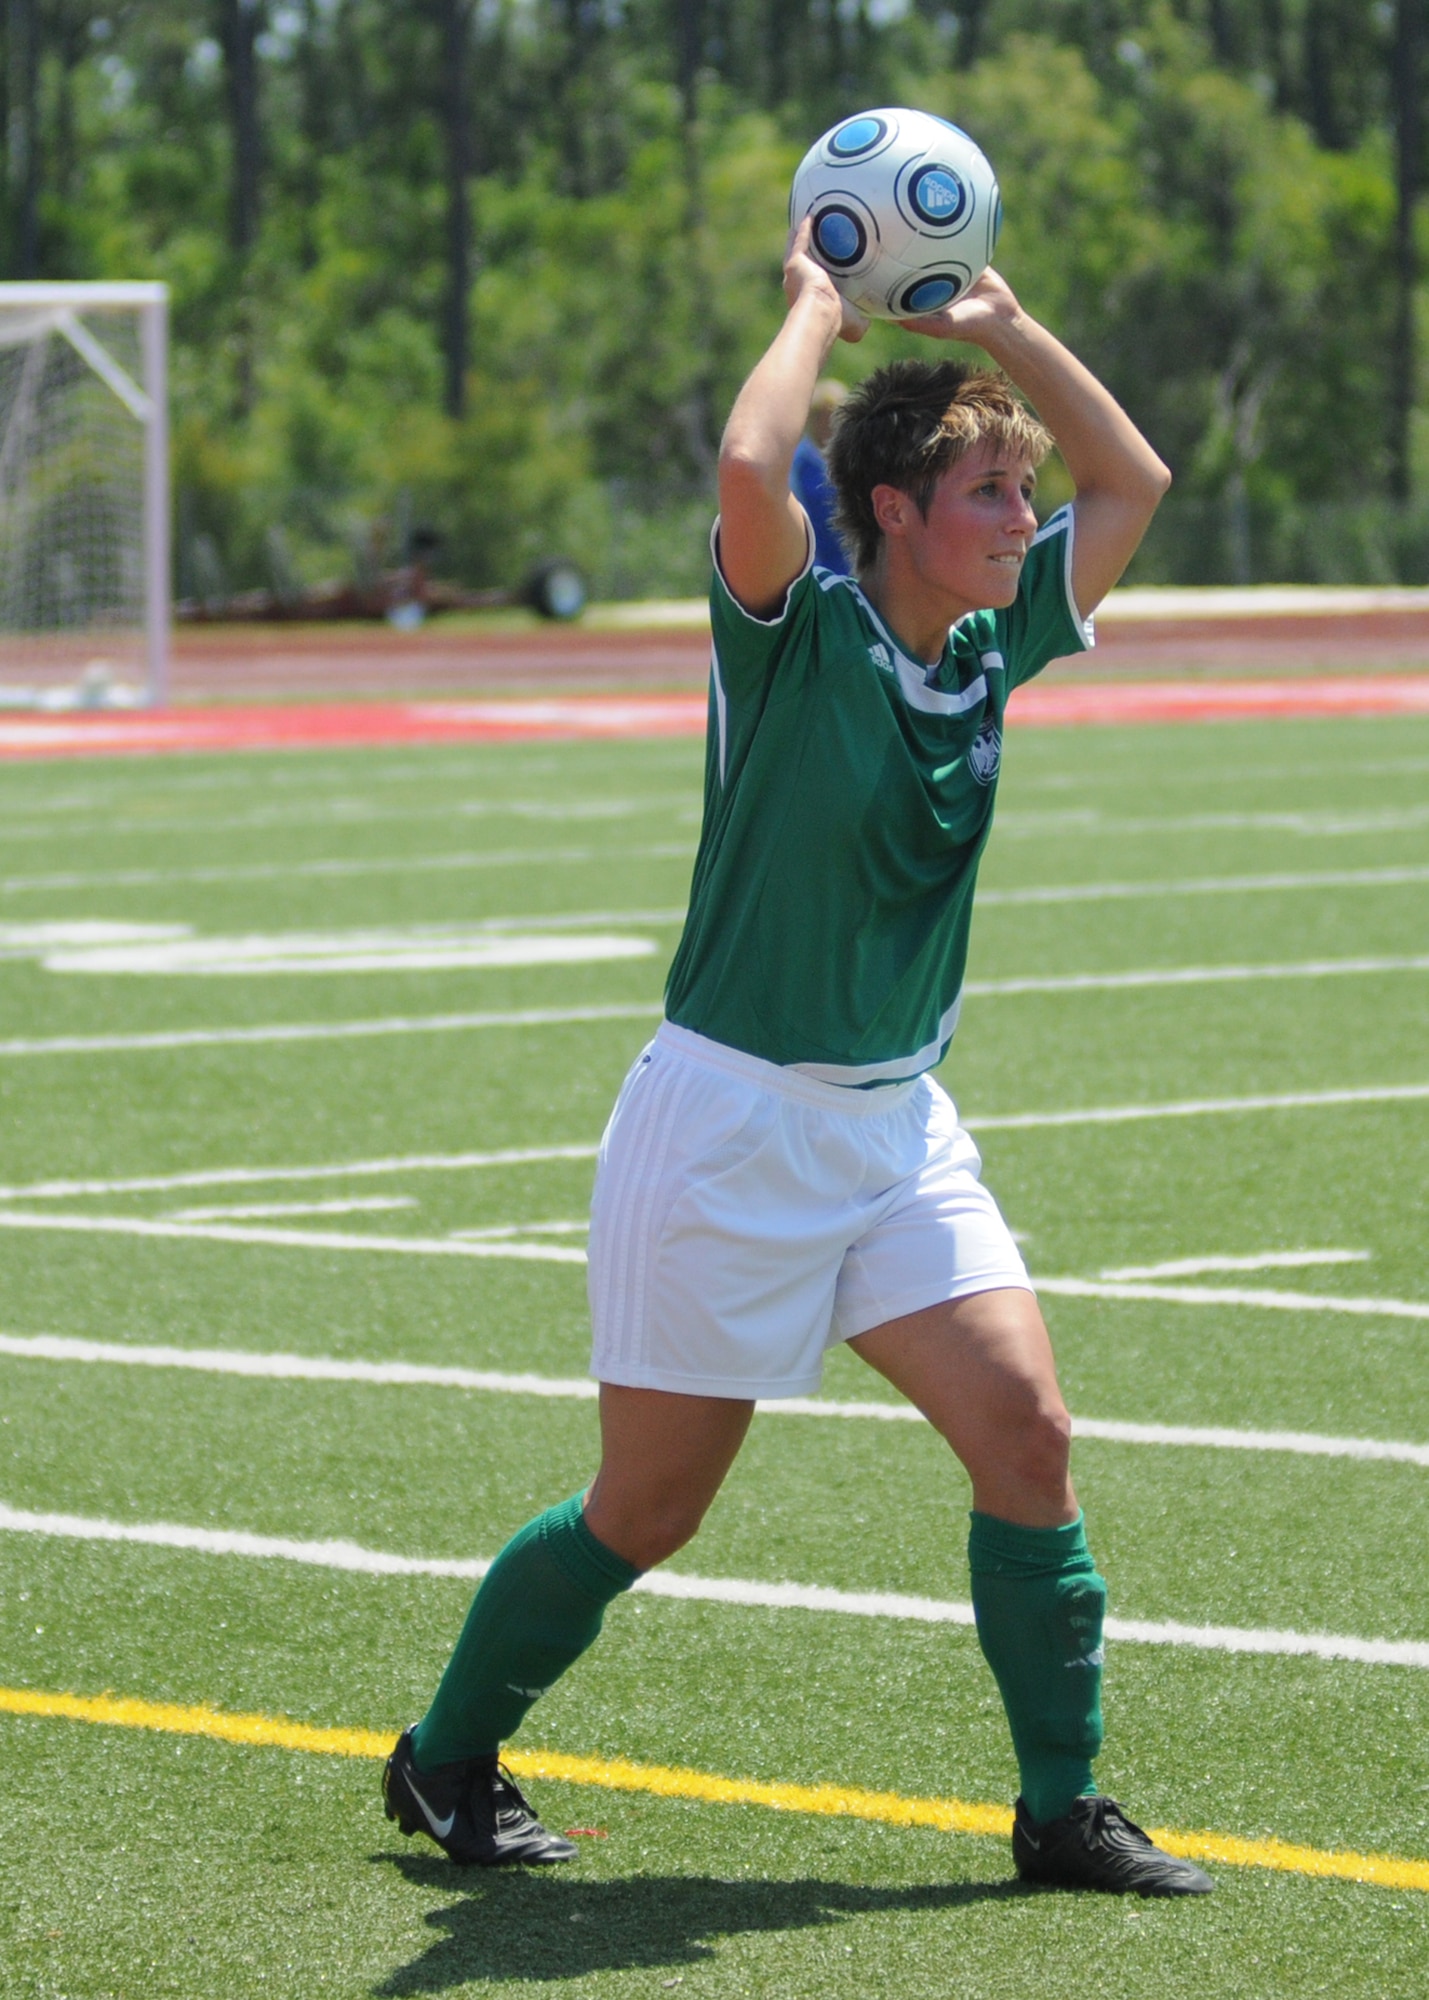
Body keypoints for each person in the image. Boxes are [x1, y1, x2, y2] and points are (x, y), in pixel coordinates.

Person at [382, 219, 1214, 1898]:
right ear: (886, 513)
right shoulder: (793, 633)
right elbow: (751, 457)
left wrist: (1007, 327)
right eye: (982, 491)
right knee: (648, 1510)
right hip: (725, 1127)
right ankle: (446, 1757)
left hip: (894, 1130)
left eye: (1010, 491)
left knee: (1025, 1438)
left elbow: (1134, 483)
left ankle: (1058, 1811)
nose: (1019, 520)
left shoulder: (990, 646)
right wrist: (812, 313)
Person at [789, 375, 850, 572]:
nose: (830, 425)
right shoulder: (798, 463)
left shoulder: (852, 458)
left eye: (836, 417)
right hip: (815, 563)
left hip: (853, 561)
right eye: (824, 417)